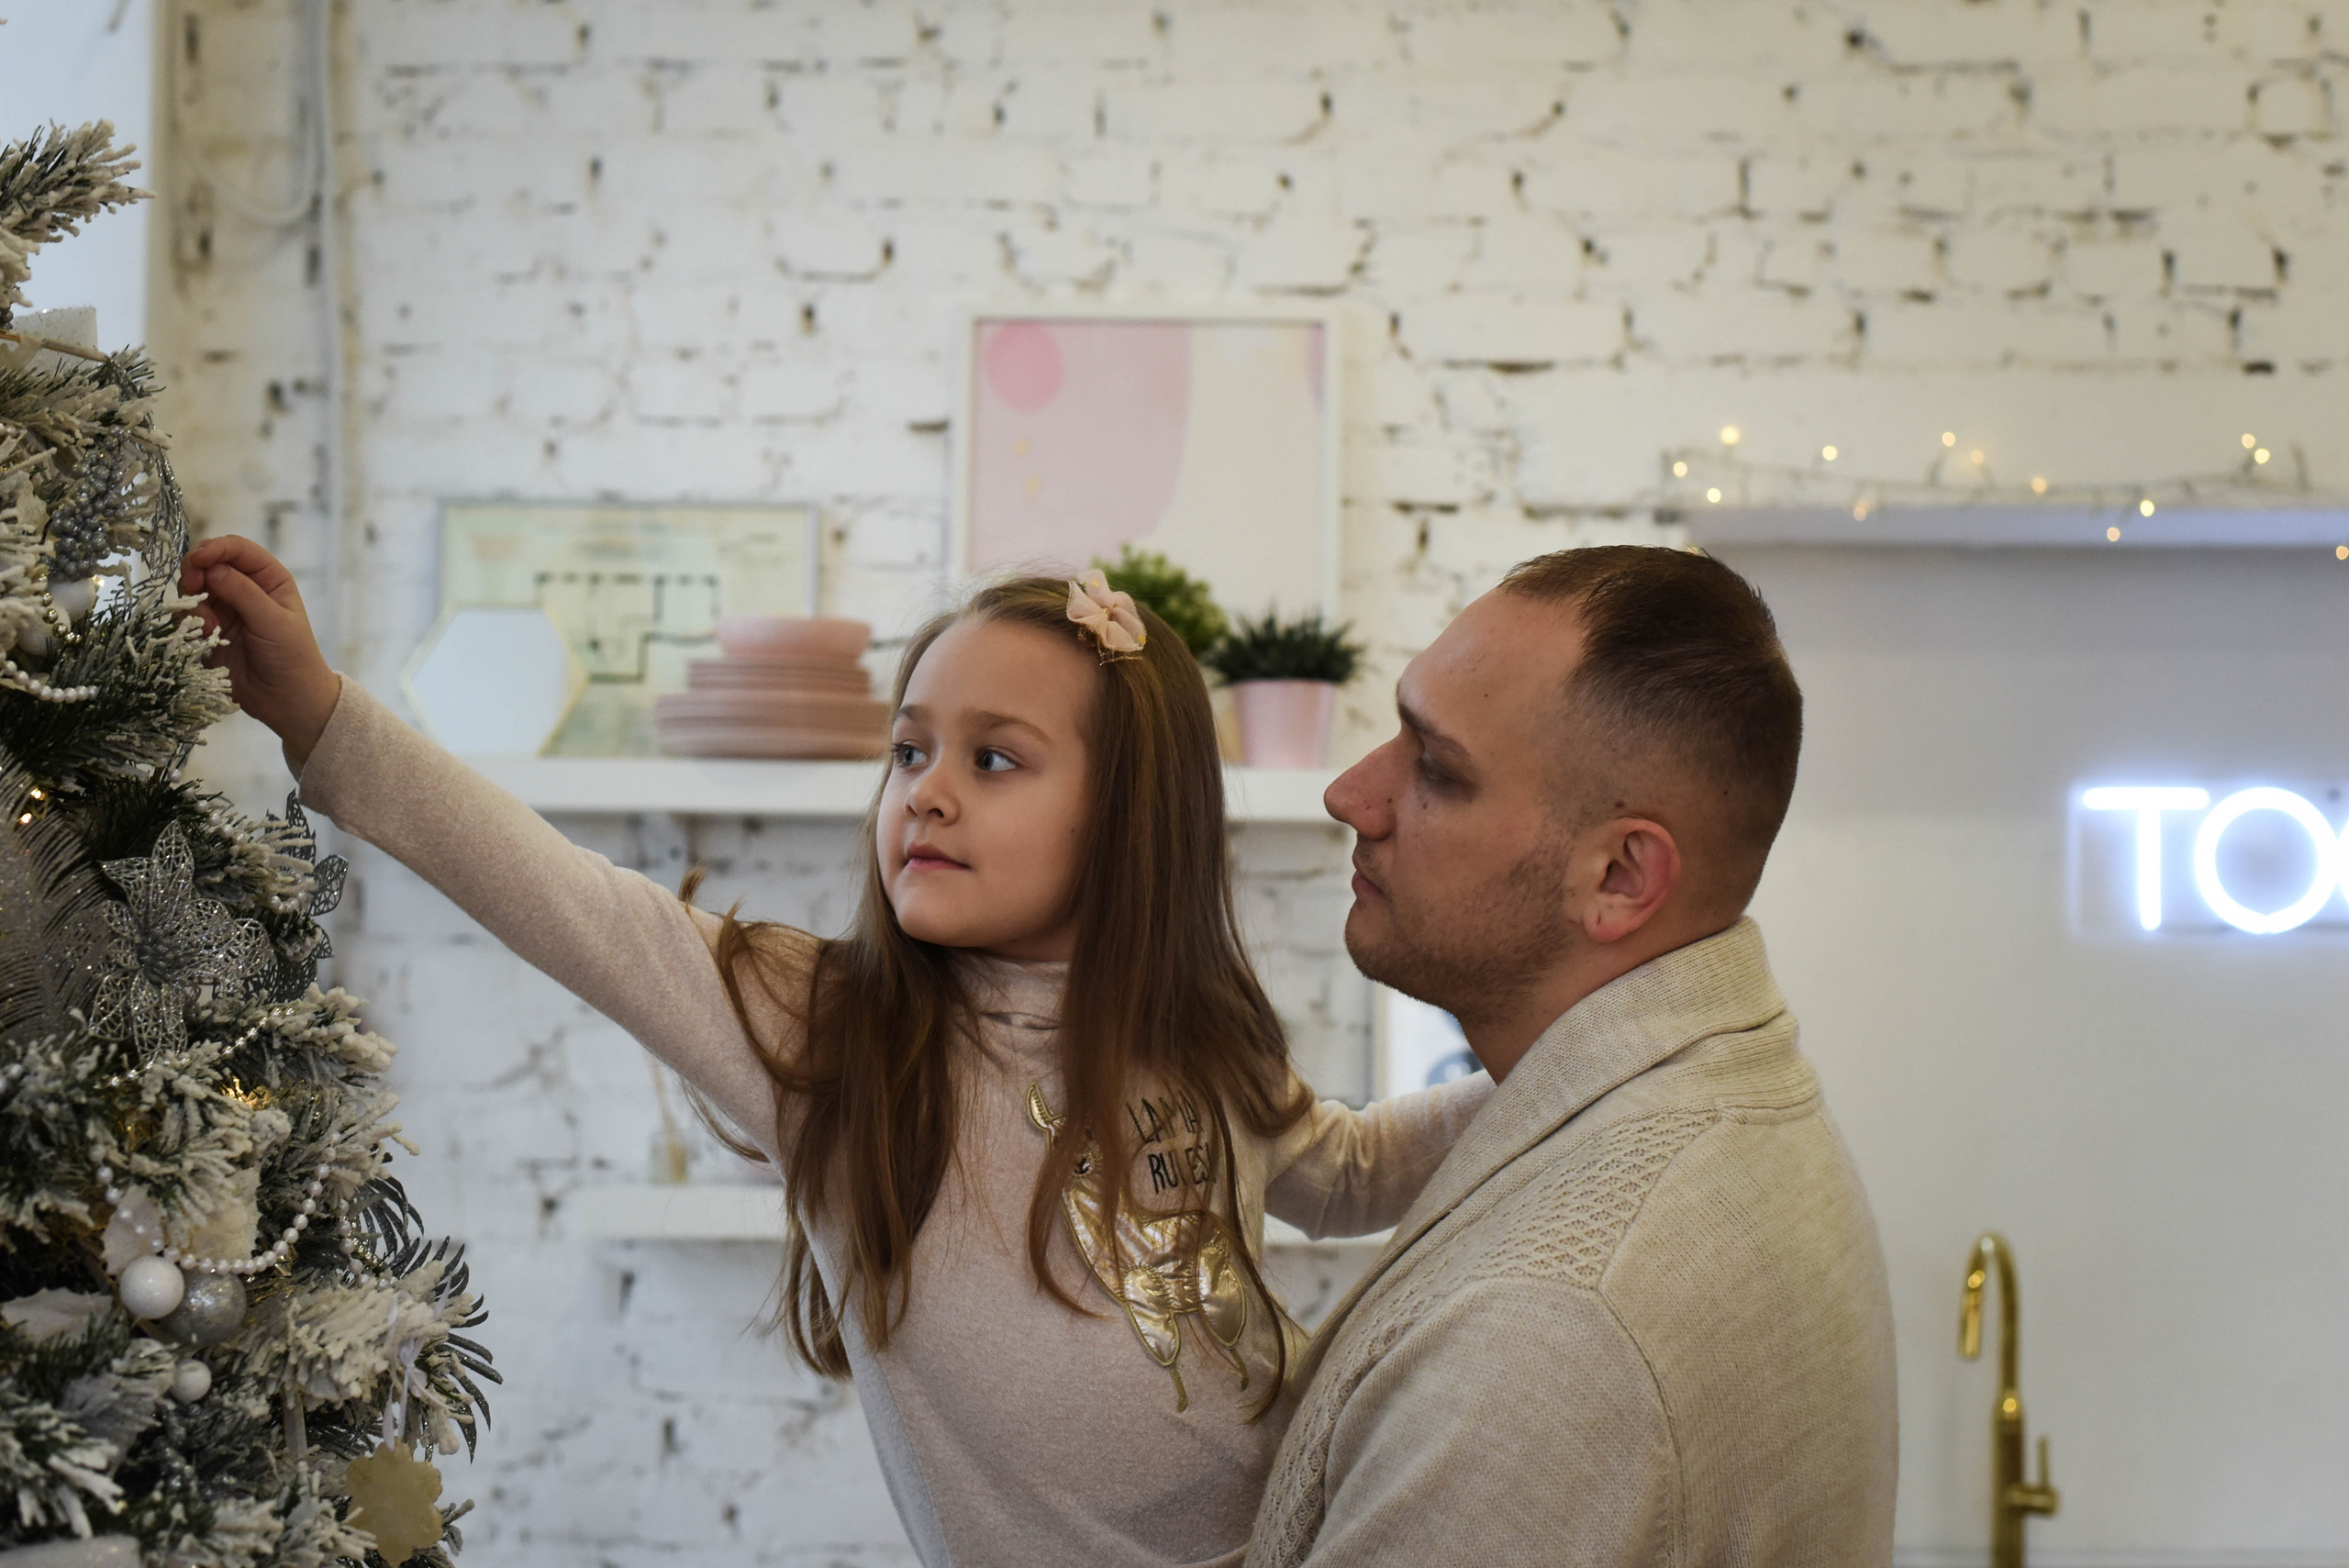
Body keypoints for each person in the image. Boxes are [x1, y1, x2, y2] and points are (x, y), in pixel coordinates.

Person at [178, 537, 1492, 1568]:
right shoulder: (831, 1033)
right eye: (910, 749)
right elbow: (565, 900)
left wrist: (1573, 1056)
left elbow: (1356, 1167)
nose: (926, 788)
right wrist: (322, 714)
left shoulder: (1194, 1046)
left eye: (993, 758)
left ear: (1129, 819)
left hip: (1336, 1520)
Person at [1246, 546, 1898, 1567]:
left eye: (1436, 767)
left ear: (1620, 873)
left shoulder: (1556, 1328)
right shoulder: (1714, 1099)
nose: (1349, 794)